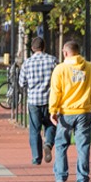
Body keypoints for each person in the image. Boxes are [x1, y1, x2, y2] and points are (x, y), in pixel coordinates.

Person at [49, 41, 91, 182]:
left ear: (65, 53)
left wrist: (53, 110)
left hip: (66, 113)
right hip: (84, 112)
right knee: (83, 146)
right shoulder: (90, 68)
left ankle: (60, 177)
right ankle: (83, 179)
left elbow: (55, 91)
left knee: (61, 145)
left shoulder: (60, 69)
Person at [19, 37, 59, 165]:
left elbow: (22, 82)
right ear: (44, 47)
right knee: (51, 124)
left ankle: (36, 157)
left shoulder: (27, 63)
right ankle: (48, 144)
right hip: (49, 99)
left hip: (34, 100)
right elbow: (59, 79)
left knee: (34, 129)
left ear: (32, 48)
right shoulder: (53, 60)